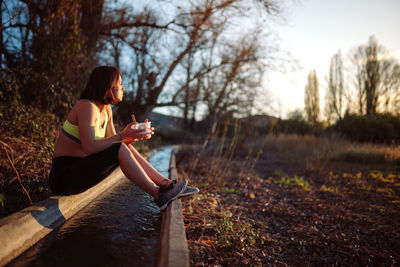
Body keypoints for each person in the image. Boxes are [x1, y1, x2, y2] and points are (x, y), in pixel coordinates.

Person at [49, 66, 198, 211]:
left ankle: (167, 185)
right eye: (119, 83)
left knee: (124, 146)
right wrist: (123, 136)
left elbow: (114, 143)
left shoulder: (106, 110)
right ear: (108, 86)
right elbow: (90, 147)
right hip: (64, 177)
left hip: (83, 169)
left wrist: (133, 136)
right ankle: (158, 195)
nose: (123, 88)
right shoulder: (86, 106)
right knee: (120, 146)